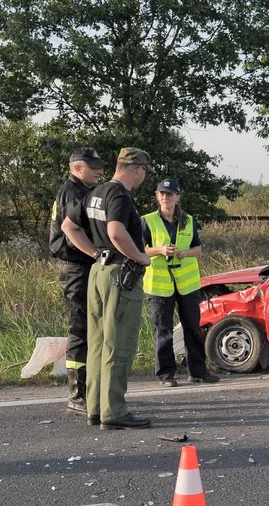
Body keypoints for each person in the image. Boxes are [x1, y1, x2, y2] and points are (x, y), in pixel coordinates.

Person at [61, 148, 153, 430]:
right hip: (119, 275)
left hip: (99, 272)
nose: (143, 177)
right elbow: (115, 231)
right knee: (119, 343)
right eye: (144, 172)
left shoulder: (95, 192)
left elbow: (69, 226)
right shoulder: (119, 195)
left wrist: (94, 253)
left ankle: (96, 408)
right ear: (137, 169)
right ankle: (114, 412)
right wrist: (140, 257)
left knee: (98, 344)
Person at [141, 178, 218, 387]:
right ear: (157, 197)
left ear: (178, 197)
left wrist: (185, 253)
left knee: (192, 327)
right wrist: (159, 250)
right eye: (162, 194)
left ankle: (198, 371)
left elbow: (198, 249)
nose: (166, 197)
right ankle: (166, 375)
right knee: (163, 330)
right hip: (159, 284)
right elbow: (138, 250)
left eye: (170, 194)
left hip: (186, 284)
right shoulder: (147, 221)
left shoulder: (188, 220)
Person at [49, 147, 108, 415]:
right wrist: (96, 253)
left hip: (82, 266)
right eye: (92, 166)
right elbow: (70, 231)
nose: (98, 170)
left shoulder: (82, 190)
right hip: (76, 268)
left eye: (99, 166)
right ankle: (76, 394)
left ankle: (88, 390)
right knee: (80, 328)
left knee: (89, 327)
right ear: (76, 168)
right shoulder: (72, 192)